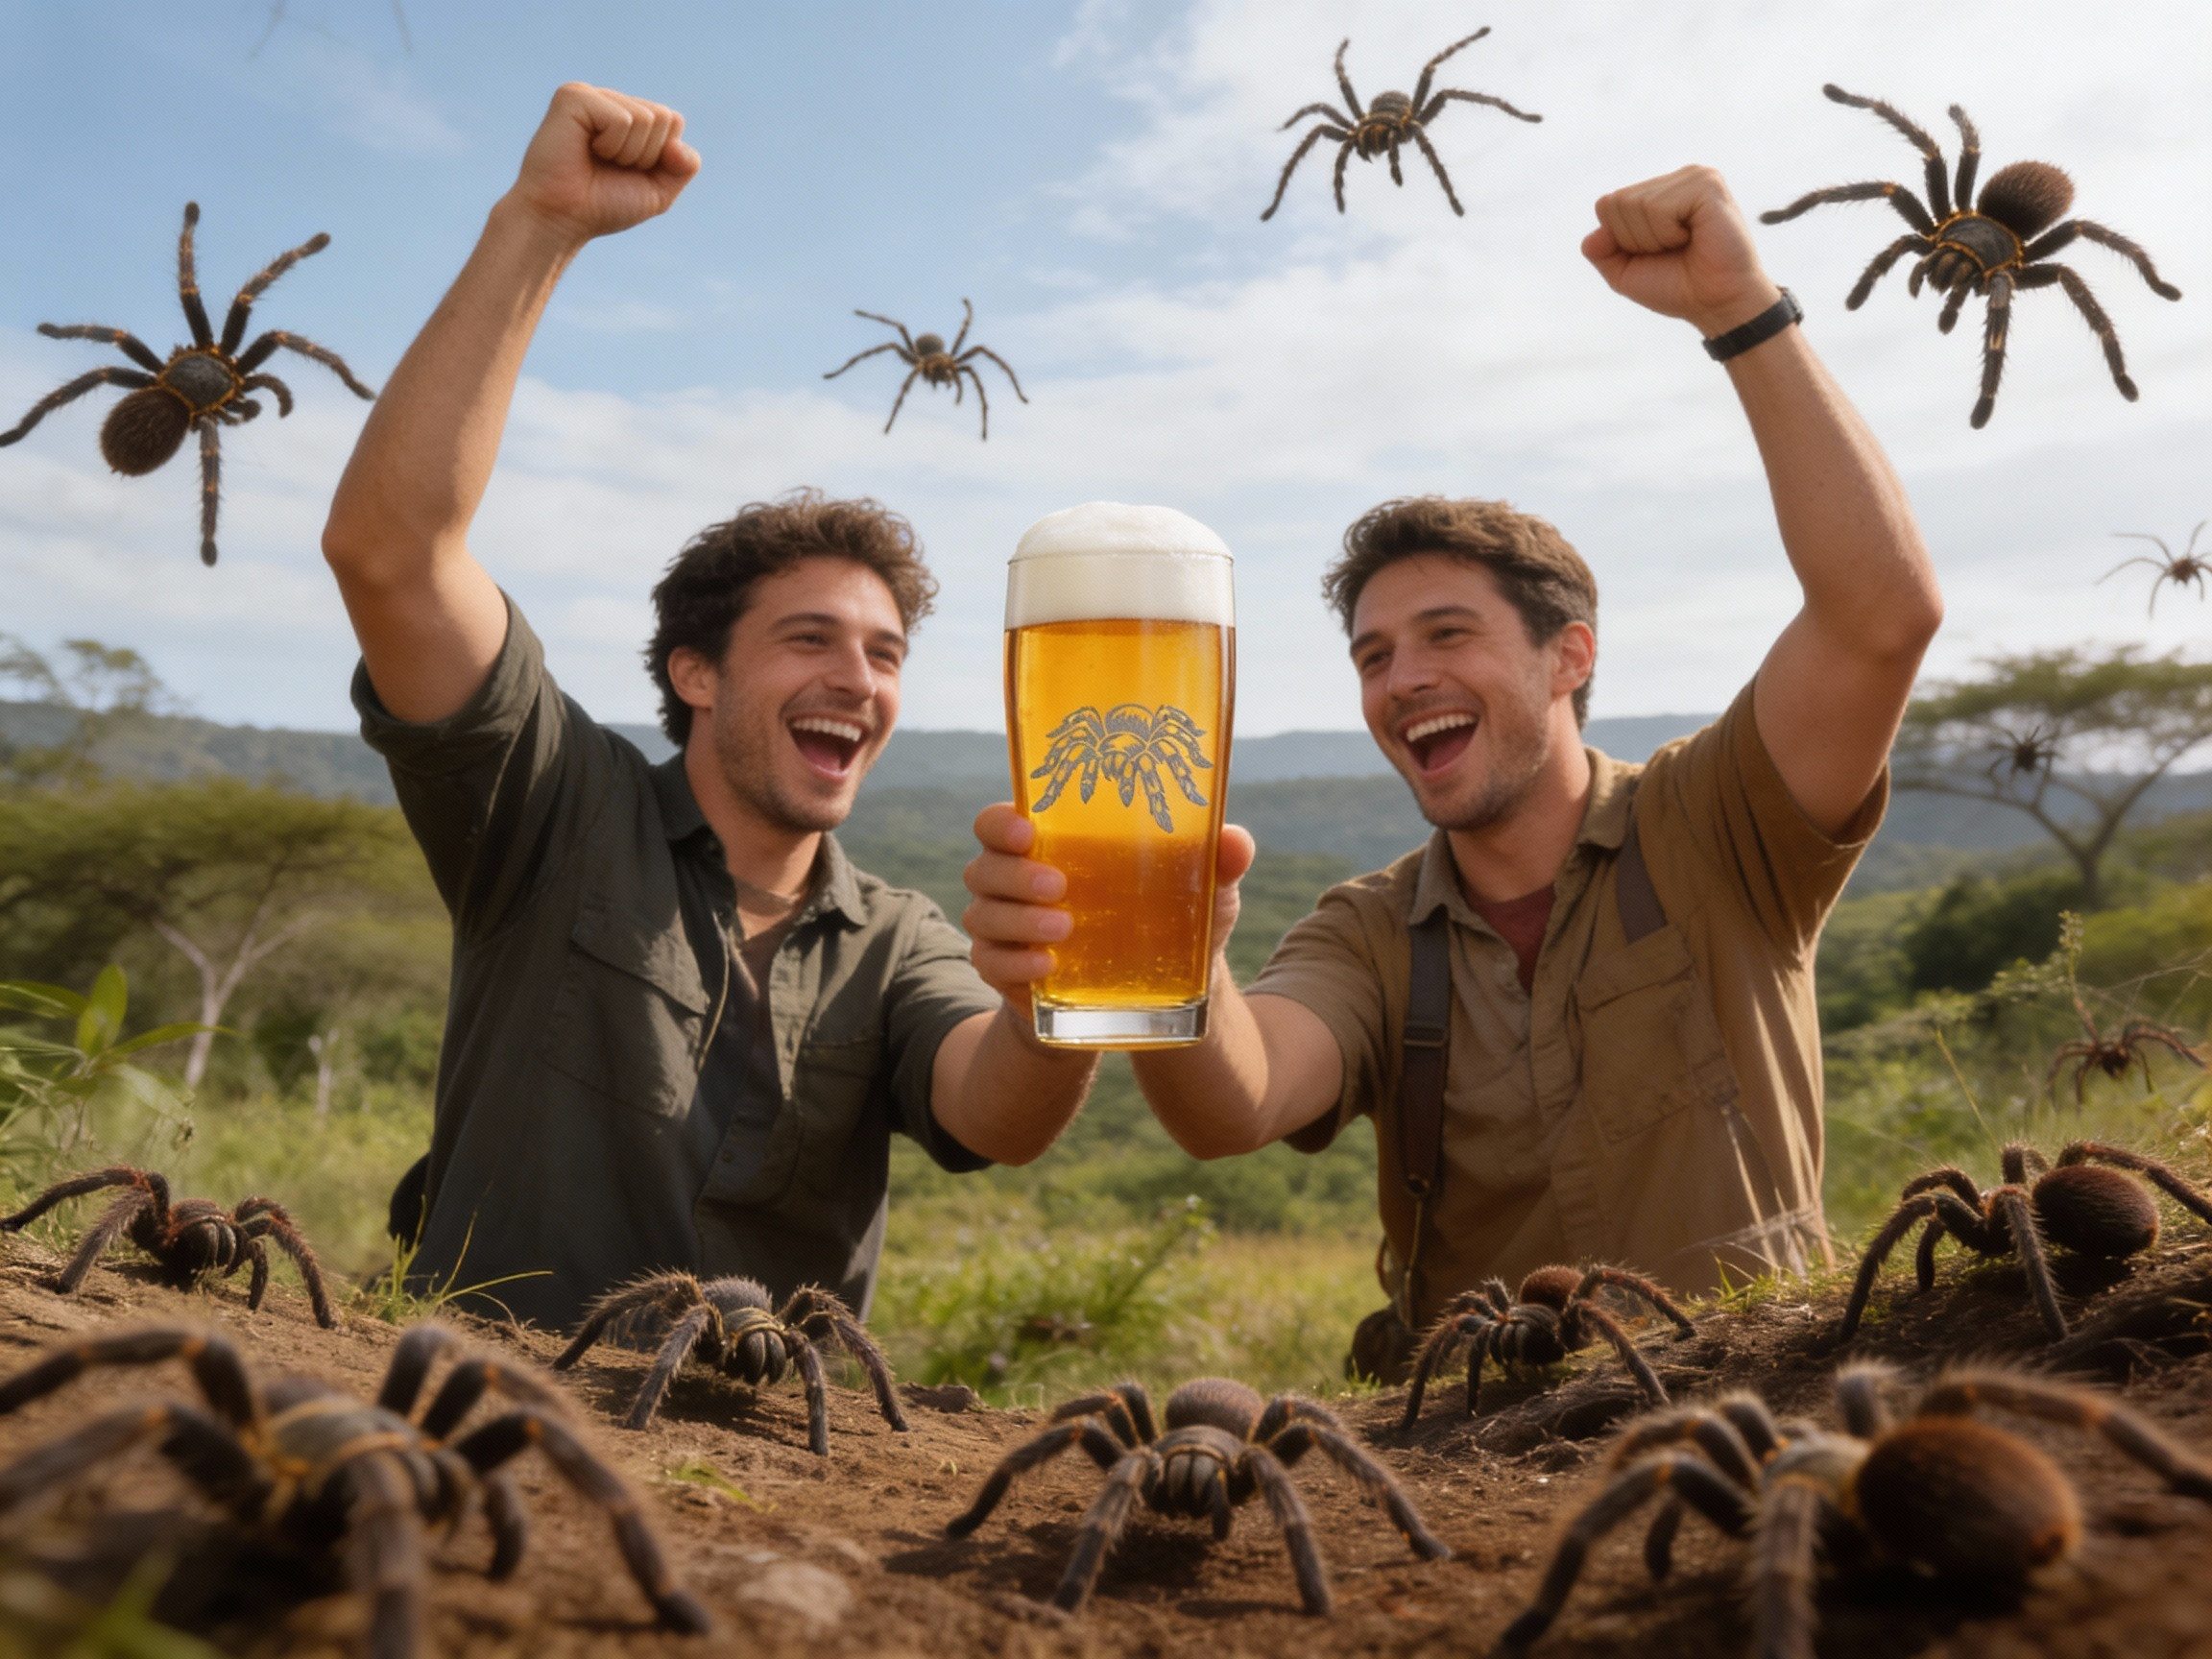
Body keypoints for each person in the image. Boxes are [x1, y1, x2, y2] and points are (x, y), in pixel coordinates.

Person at [964, 165, 1942, 1366]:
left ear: (1568, 655)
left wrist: (1741, 312)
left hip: (1759, 1401)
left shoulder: (1716, 821)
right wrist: (1186, 950)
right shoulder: (1372, 931)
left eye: (1446, 635)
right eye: (1373, 656)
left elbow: (1881, 614)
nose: (1403, 680)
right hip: (1485, 1440)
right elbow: (1238, 1104)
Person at [322, 84, 1098, 1331]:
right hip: (484, 1393)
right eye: (810, 639)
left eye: (887, 655)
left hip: (772, 1432)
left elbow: (992, 1112)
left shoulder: (897, 939)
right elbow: (392, 554)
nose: (860, 680)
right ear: (696, 673)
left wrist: (1065, 997)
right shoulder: (556, 810)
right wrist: (540, 224)